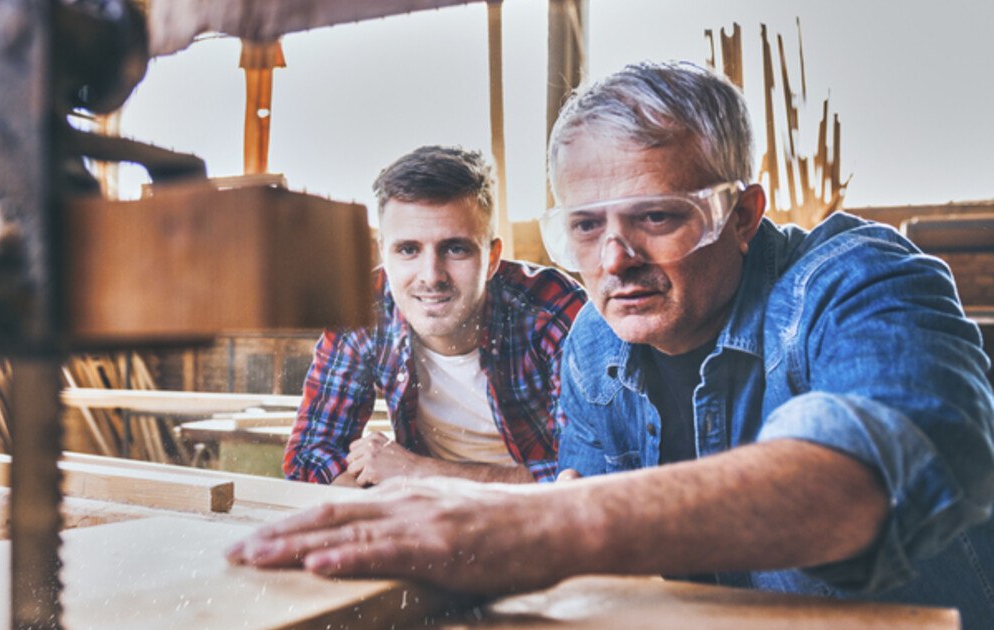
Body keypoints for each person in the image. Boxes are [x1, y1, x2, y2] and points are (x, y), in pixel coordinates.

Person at [229, 63, 994, 625]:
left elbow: (870, 475)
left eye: (656, 217)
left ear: (743, 213)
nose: (614, 260)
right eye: (586, 227)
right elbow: (609, 571)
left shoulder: (861, 281)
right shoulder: (595, 346)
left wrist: (530, 523)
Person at [284, 145, 586, 487]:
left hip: (537, 524)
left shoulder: (554, 309)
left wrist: (419, 472)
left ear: (492, 258)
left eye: (455, 248)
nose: (431, 276)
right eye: (408, 250)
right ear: (384, 252)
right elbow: (310, 453)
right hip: (424, 519)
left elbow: (587, 474)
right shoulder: (361, 309)